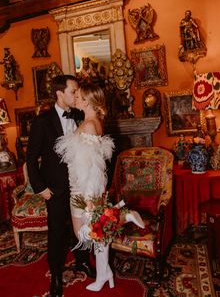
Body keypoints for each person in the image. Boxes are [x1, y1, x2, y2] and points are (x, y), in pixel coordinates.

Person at [54, 83, 145, 292]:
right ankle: (105, 273)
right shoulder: (93, 122)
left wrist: (88, 197)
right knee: (99, 233)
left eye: (79, 95)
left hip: (83, 188)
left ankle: (125, 216)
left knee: (83, 233)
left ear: (87, 101)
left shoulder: (89, 125)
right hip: (84, 186)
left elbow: (92, 166)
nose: (75, 97)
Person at [26, 75, 96, 297]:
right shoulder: (42, 121)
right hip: (54, 188)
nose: (76, 95)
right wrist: (40, 188)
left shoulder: (79, 115)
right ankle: (56, 276)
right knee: (57, 233)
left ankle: (82, 261)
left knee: (82, 227)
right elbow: (30, 159)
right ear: (59, 93)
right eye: (73, 91)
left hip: (79, 184)